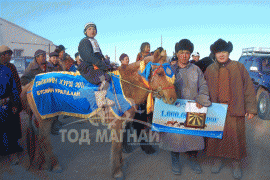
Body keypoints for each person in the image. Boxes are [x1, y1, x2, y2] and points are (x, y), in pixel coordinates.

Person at [204, 39, 257, 179]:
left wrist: (251, 108)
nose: (221, 55)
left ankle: (236, 163)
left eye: (224, 52)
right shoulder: (209, 70)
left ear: (228, 53)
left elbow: (248, 89)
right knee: (217, 137)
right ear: (214, 54)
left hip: (235, 109)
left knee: (235, 138)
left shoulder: (238, 67)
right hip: (215, 110)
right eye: (218, 52)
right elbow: (203, 89)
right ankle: (218, 160)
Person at [159, 39, 211, 175]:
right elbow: (161, 85)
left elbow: (204, 85)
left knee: (193, 135)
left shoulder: (196, 69)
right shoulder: (170, 70)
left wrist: (201, 98)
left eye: (187, 53)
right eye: (181, 53)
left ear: (190, 55)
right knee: (174, 136)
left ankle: (193, 159)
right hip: (174, 109)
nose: (184, 56)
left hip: (193, 108)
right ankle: (175, 160)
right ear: (177, 54)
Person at [0, 52, 23, 163]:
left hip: (5, 105)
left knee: (9, 130)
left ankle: (12, 154)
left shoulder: (6, 70)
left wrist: (15, 104)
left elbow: (14, 88)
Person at [78, 22, 114, 90]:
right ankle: (100, 98)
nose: (92, 31)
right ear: (85, 31)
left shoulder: (94, 41)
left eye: (94, 29)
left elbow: (100, 56)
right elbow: (88, 56)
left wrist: (107, 63)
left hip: (97, 66)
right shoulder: (84, 41)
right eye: (89, 29)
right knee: (105, 78)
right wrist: (101, 65)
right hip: (88, 67)